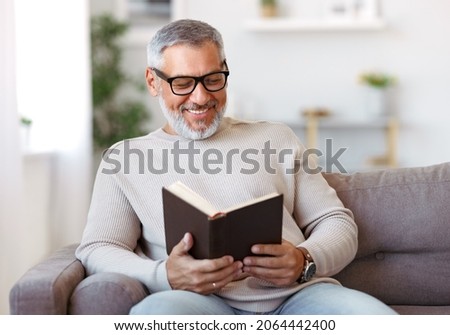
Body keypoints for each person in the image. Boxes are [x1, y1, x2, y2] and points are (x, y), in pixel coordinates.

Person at [76, 19, 396, 315]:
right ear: (153, 81)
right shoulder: (124, 159)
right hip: (196, 302)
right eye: (183, 83)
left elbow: (335, 221)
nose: (201, 97)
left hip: (299, 297)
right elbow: (99, 248)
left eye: (213, 79)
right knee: (155, 316)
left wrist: (304, 260)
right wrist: (164, 275)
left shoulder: (275, 137)